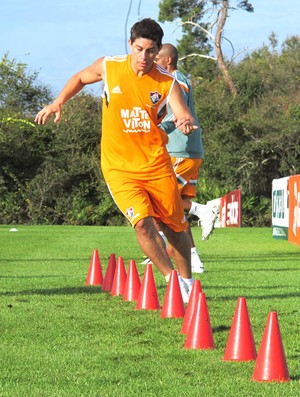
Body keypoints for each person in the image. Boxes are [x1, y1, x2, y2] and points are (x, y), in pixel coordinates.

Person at [35, 18, 198, 302]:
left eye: (150, 51)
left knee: (175, 227)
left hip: (156, 165)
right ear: (130, 45)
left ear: (158, 51)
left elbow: (180, 109)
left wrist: (184, 119)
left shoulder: (167, 81)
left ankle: (188, 282)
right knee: (143, 225)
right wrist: (58, 101)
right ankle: (173, 282)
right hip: (119, 168)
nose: (143, 57)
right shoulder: (109, 66)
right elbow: (79, 78)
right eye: (139, 49)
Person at [154, 43, 218, 273]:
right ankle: (193, 258)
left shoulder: (174, 80)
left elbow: (177, 114)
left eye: (157, 58)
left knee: (158, 199)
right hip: (188, 151)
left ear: (168, 61)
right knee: (174, 210)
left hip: (180, 150)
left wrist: (155, 129)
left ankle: (202, 210)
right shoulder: (178, 79)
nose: (153, 63)